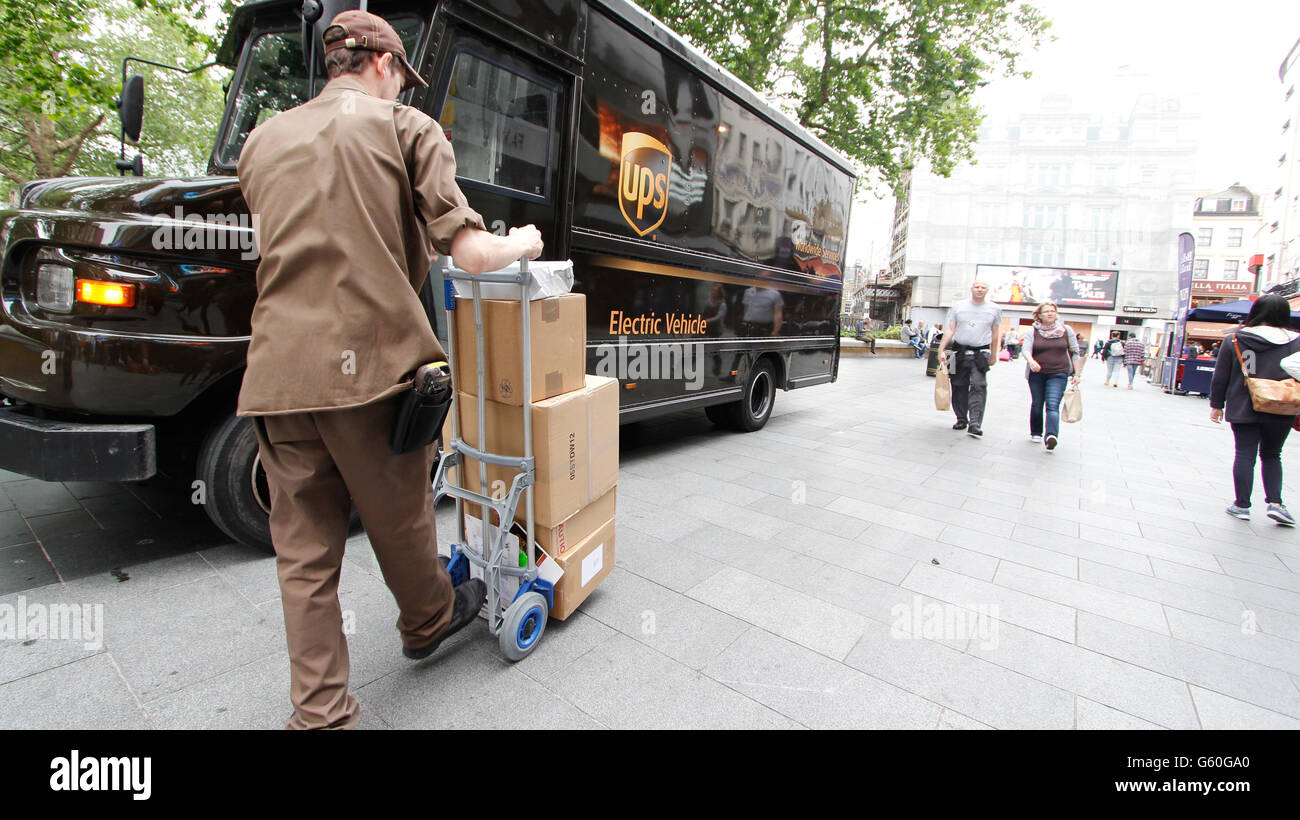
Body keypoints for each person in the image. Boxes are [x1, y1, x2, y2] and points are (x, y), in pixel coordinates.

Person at [236, 10, 544, 730]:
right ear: (382, 64)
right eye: (403, 77)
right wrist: (522, 242)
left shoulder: (263, 140)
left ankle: (320, 714)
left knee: (304, 555)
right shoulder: (406, 128)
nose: (402, 88)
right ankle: (428, 620)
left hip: (276, 374)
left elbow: (309, 236)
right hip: (369, 368)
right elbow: (469, 253)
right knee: (401, 520)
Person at [1209, 294, 1300, 526]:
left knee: (1245, 454)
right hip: (1282, 405)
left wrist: (1216, 405)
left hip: (1244, 404)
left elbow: (1221, 376)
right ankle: (1276, 504)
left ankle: (1241, 505)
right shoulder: (1296, 341)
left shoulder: (1236, 339)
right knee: (1272, 454)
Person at [937, 281, 1003, 438]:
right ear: (971, 289)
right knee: (957, 384)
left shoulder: (995, 309)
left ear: (987, 290)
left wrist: (994, 354)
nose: (980, 290)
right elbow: (950, 329)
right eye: (977, 287)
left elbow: (995, 332)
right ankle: (961, 418)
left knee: (979, 385)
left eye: (983, 288)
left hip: (981, 352)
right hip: (957, 351)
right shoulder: (958, 306)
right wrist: (941, 350)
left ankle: (975, 422)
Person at [1021, 301, 1081, 452]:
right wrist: (1031, 361)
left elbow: (1075, 352)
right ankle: (1036, 432)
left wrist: (1077, 373)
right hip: (1037, 373)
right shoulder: (1033, 331)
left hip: (1059, 373)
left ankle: (1051, 436)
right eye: (1046, 311)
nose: (1050, 313)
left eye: (1052, 311)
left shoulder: (1066, 330)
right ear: (1039, 315)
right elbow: (1026, 349)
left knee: (1053, 404)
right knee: (1037, 403)